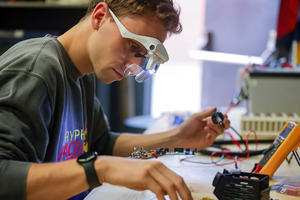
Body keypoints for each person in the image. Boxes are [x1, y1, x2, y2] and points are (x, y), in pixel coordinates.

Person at [0, 0, 230, 200]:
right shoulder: (35, 71)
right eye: (132, 47)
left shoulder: (82, 76)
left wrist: (176, 139)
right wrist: (100, 169)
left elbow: (104, 146)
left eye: (142, 57)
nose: (134, 66)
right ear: (100, 17)